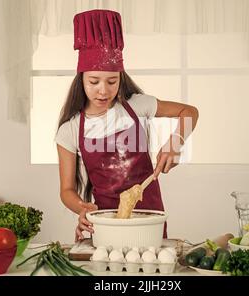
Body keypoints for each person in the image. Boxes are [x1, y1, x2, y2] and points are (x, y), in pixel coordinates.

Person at [55, 9, 199, 242]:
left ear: (120, 78)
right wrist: (82, 207)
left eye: (112, 81)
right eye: (94, 82)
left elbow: (189, 112)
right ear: (80, 78)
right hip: (105, 219)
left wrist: (176, 141)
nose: (103, 90)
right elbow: (66, 191)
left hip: (149, 215)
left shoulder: (136, 106)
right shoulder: (70, 130)